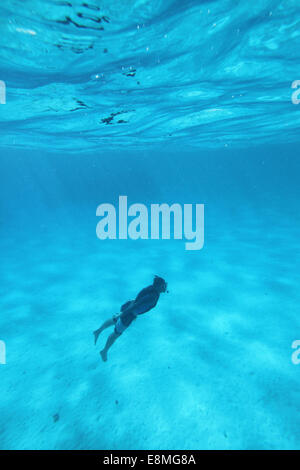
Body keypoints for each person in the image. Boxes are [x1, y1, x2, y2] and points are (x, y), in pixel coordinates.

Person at [93, 275, 168, 362]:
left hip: (129, 305)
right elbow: (137, 305)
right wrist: (123, 314)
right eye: (163, 285)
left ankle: (98, 331)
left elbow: (138, 299)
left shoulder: (151, 288)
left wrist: (125, 311)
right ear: (159, 286)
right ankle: (104, 351)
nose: (165, 287)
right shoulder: (153, 296)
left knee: (115, 320)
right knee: (117, 333)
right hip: (129, 313)